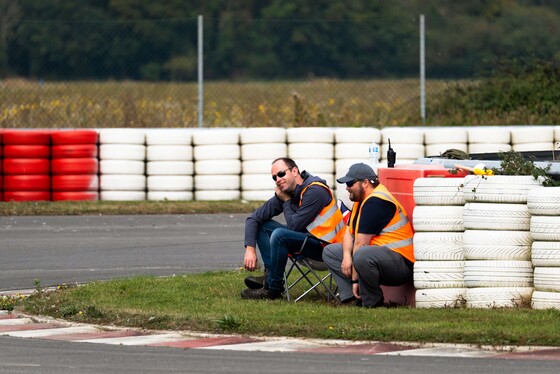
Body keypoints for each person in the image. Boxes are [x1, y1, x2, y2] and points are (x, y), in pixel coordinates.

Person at [241, 157, 346, 300]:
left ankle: (273, 290)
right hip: (307, 241)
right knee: (263, 225)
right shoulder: (288, 193)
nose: (278, 179)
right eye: (274, 177)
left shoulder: (315, 190)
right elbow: (253, 219)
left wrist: (287, 201)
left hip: (326, 248)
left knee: (280, 235)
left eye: (281, 174)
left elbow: (295, 227)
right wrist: (250, 249)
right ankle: (270, 277)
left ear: (295, 171)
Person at [322, 163, 415, 307]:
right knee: (330, 251)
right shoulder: (362, 200)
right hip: (378, 257)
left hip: (401, 264)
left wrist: (354, 280)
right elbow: (349, 232)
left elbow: (360, 243)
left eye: (350, 183)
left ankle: (372, 302)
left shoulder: (376, 202)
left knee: (362, 253)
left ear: (365, 183)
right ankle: (353, 298)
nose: (346, 187)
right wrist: (346, 257)